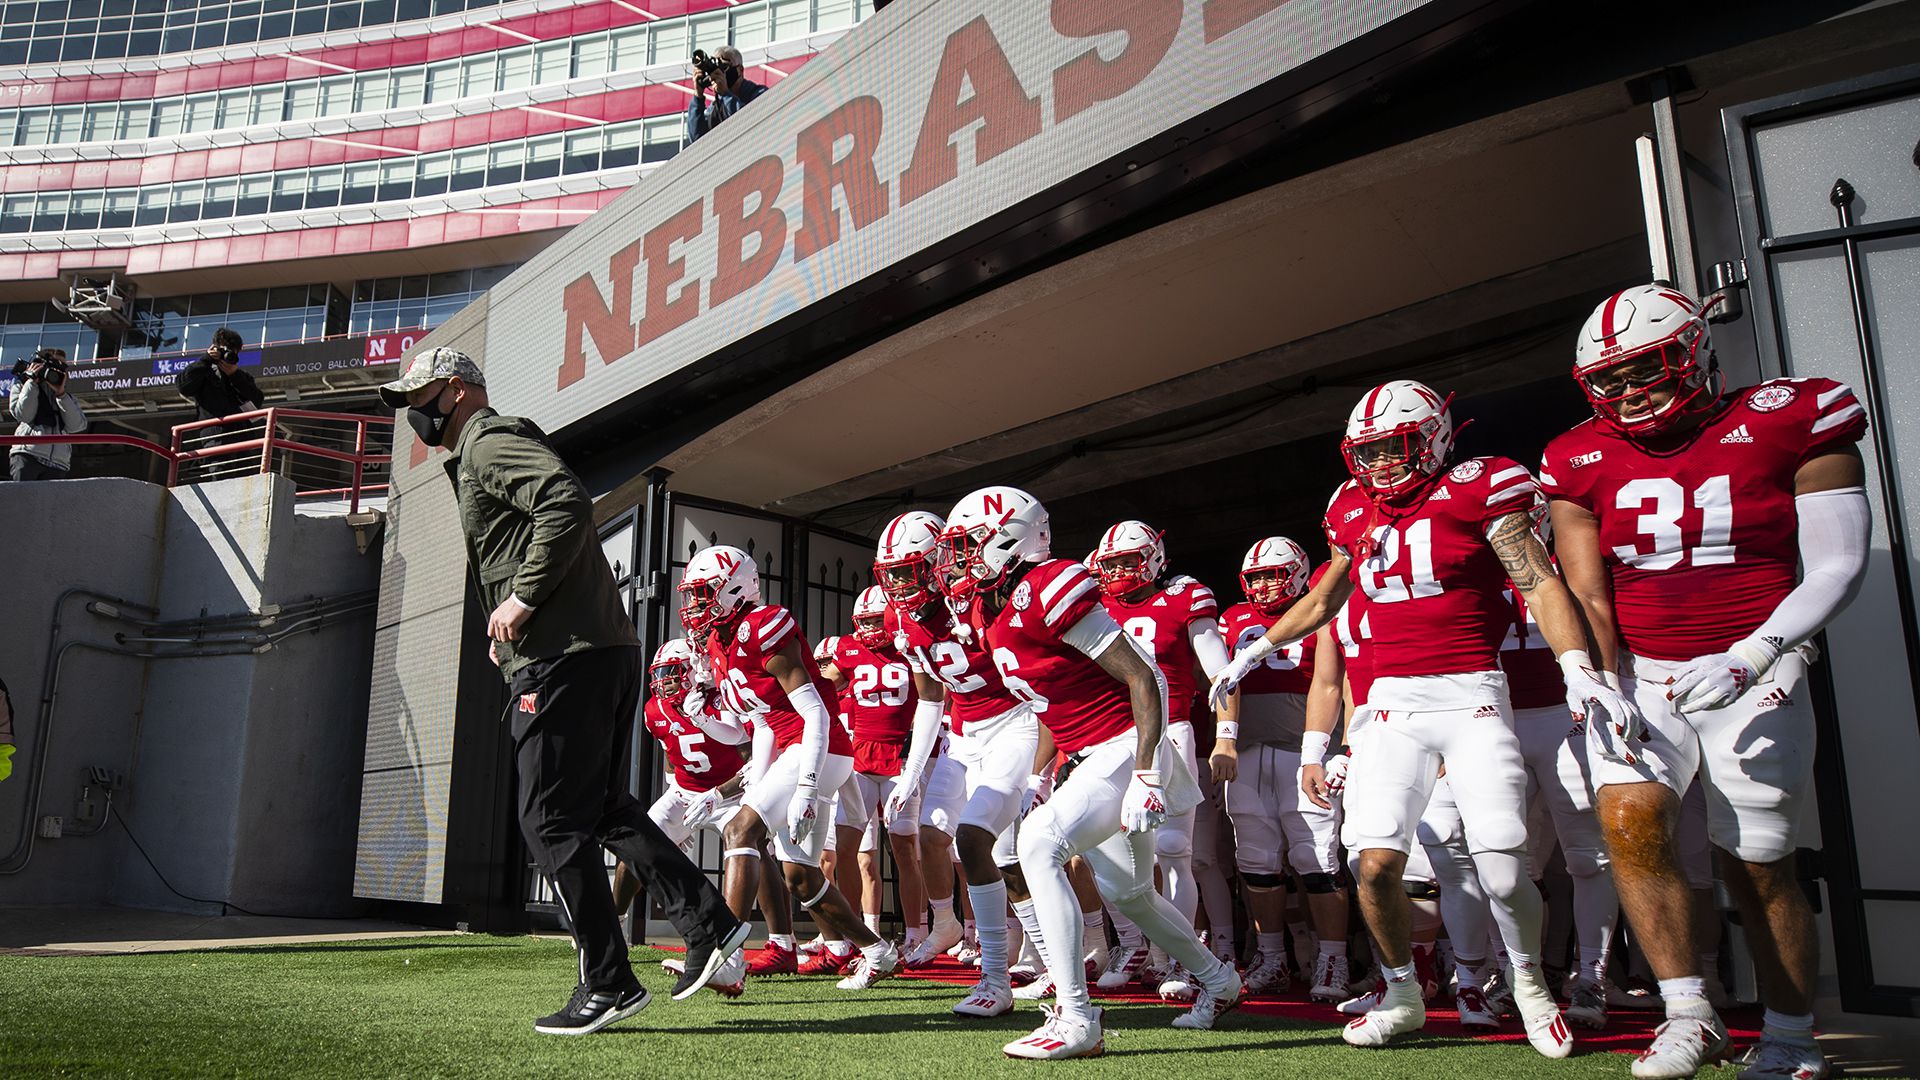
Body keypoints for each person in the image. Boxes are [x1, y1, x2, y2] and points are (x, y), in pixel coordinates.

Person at [1212, 378, 1637, 1058]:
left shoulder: (1480, 487)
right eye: (1370, 450)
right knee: (1371, 860)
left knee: (1502, 860)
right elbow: (1326, 595)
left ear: (1434, 437)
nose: (1380, 464)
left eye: (1394, 446)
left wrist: (1580, 669)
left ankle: (1528, 986)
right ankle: (1403, 990)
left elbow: (1537, 580)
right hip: (1389, 703)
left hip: (1471, 693)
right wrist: (1256, 650)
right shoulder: (1352, 506)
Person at [1541, 285, 1870, 1080]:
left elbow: (1838, 563)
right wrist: (1597, 676)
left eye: (1645, 368)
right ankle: (1690, 1013)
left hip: (1756, 658)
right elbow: (1588, 590)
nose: (1629, 392)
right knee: (1628, 823)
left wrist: (1754, 653)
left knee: (1755, 859)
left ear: (1693, 351)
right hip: (1645, 669)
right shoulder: (1577, 456)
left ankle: (1791, 1034)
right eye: (1609, 380)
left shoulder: (1794, 414)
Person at [379, 347, 748, 1036]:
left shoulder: (487, 441)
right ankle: (711, 926)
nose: (413, 414)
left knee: (548, 821)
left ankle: (609, 982)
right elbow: (534, 529)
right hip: (587, 651)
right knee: (601, 809)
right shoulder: (487, 449)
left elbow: (563, 502)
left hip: (564, 660)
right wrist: (511, 629)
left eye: (419, 398)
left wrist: (522, 599)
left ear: (456, 391)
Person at [935, 486, 1243, 1060]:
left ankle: (1077, 1017)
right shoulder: (992, 608)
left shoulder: (1048, 584)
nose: (961, 561)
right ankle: (1220, 980)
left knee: (1036, 844)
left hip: (1127, 746)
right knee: (1129, 892)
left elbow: (1144, 677)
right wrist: (1040, 774)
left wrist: (1148, 772)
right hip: (1088, 755)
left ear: (1011, 537)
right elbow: (1045, 702)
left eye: (970, 545)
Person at [679, 544, 903, 991]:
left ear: (736, 590)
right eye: (694, 595)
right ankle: (880, 951)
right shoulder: (721, 641)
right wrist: (728, 790)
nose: (695, 606)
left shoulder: (764, 625)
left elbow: (817, 712)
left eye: (705, 594)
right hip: (795, 749)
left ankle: (727, 957)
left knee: (741, 832)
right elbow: (760, 725)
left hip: (823, 748)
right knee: (800, 875)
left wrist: (805, 786)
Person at [875, 509, 1042, 1017]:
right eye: (892, 573)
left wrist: (1041, 766)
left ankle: (1039, 959)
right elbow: (930, 696)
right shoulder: (899, 616)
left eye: (907, 570)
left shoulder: (979, 600)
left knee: (999, 848)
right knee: (937, 833)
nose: (899, 585)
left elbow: (1036, 679)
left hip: (1016, 723)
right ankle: (968, 944)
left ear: (934, 563)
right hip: (964, 733)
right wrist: (909, 772)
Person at [1089, 519, 1231, 1001]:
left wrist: (1226, 737)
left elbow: (1221, 673)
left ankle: (1178, 957)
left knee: (1174, 852)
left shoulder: (1183, 597)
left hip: (1171, 732)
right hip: (1112, 735)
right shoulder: (1094, 604)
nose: (1119, 573)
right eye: (1112, 564)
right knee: (1108, 850)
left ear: (1153, 559)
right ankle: (1134, 946)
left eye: (1129, 561)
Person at [1214, 536, 1351, 1002]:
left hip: (1304, 753)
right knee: (1256, 866)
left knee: (1318, 864)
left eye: (1274, 573)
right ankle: (1272, 957)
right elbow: (1224, 683)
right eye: (1256, 576)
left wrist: (1341, 746)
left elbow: (1339, 683)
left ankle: (1333, 957)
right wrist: (1225, 742)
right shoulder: (1233, 619)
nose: (1265, 585)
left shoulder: (1323, 609)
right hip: (1250, 755)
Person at [7, 348, 88, 482]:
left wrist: (61, 394)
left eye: (63, 367)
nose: (58, 371)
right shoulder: (21, 386)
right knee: (22, 501)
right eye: (55, 365)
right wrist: (31, 382)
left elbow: (76, 426)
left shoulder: (67, 397)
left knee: (49, 504)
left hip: (58, 462)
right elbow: (24, 415)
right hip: (28, 454)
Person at [175, 328, 265, 446]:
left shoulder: (243, 377)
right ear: (214, 348)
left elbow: (257, 401)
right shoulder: (203, 372)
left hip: (242, 437)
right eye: (223, 350)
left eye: (232, 352)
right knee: (218, 464)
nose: (227, 355)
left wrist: (235, 375)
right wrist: (206, 360)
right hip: (215, 436)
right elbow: (183, 386)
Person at [685, 45, 764, 145]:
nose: (722, 74)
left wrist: (725, 94)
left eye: (725, 67)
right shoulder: (715, 107)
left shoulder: (759, 93)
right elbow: (696, 139)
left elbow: (749, 123)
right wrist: (698, 96)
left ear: (740, 70)